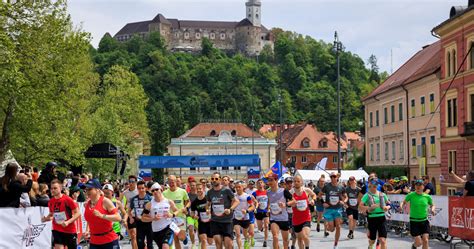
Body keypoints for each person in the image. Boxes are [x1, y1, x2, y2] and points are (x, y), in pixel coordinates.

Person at [41, 179, 81, 249]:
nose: (53, 190)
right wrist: (46, 219)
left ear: (60, 188)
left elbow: (78, 213)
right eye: (51, 188)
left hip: (69, 230)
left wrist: (68, 222)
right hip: (57, 230)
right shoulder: (51, 201)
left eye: (55, 188)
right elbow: (51, 215)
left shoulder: (67, 199)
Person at [83, 179, 122, 249]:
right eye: (86, 189)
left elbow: (118, 217)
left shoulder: (105, 201)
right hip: (94, 241)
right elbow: (90, 220)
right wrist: (87, 231)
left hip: (109, 240)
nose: (87, 191)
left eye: (90, 189)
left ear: (97, 190)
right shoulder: (86, 204)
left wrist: (102, 216)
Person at [206, 172, 239, 249]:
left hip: (227, 221)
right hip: (215, 221)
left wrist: (230, 209)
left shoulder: (226, 190)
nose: (214, 180)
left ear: (220, 180)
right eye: (212, 179)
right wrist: (207, 209)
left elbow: (236, 201)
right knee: (218, 242)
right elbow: (207, 204)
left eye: (216, 178)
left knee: (228, 245)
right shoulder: (210, 192)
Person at [142, 183, 180, 249]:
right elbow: (143, 218)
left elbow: (177, 211)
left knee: (165, 246)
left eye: (156, 189)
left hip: (168, 228)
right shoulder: (149, 204)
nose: (155, 192)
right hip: (156, 231)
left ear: (161, 190)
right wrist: (153, 219)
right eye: (153, 191)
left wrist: (172, 215)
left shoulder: (168, 201)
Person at [400, 179, 435, 249]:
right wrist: (401, 206)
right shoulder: (411, 195)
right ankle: (414, 246)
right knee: (419, 243)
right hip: (414, 222)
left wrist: (432, 209)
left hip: (424, 221)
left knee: (425, 240)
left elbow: (432, 205)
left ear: (423, 187)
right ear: (415, 187)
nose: (418, 187)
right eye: (416, 185)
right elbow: (403, 202)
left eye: (420, 185)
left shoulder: (427, 196)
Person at [360, 178, 391, 249]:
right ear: (369, 185)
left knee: (383, 240)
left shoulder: (382, 194)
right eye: (371, 185)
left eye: (375, 185)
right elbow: (360, 207)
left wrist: (387, 207)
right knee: (372, 240)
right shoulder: (367, 195)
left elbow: (390, 204)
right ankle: (370, 246)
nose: (373, 187)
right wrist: (369, 207)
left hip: (382, 218)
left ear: (377, 186)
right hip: (372, 218)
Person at [267, 173, 295, 249]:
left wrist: (285, 204)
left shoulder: (284, 191)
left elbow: (294, 201)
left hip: (284, 219)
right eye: (268, 180)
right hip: (274, 218)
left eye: (271, 180)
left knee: (285, 240)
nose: (269, 182)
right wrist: (268, 209)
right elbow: (269, 202)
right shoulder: (268, 192)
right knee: (275, 236)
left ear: (276, 180)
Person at [319, 172, 347, 249]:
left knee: (338, 226)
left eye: (334, 177)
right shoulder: (327, 186)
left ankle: (336, 244)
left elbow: (346, 196)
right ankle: (328, 227)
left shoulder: (341, 187)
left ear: (337, 177)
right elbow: (319, 195)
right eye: (331, 177)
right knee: (331, 229)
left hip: (338, 209)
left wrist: (343, 201)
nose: (332, 178)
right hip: (329, 209)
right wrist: (323, 203)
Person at [163, 175, 190, 249]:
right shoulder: (164, 193)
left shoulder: (182, 191)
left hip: (181, 217)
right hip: (171, 218)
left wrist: (186, 208)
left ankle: (185, 238)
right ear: (168, 182)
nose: (172, 183)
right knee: (176, 238)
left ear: (176, 181)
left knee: (181, 237)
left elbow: (188, 202)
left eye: (173, 181)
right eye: (170, 181)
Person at [291, 175, 316, 249]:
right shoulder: (291, 192)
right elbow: (288, 202)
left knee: (305, 235)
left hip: (306, 218)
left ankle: (307, 247)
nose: (296, 183)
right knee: (299, 239)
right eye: (295, 181)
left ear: (301, 182)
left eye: (298, 181)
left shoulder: (306, 190)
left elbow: (314, 195)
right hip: (296, 219)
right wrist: (291, 204)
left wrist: (312, 200)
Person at [129, 181, 153, 249]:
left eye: (142, 188)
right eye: (139, 188)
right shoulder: (134, 199)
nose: (141, 190)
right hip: (139, 223)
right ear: (137, 189)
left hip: (149, 223)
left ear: (145, 188)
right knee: (140, 244)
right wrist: (131, 218)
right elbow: (129, 210)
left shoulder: (150, 198)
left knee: (150, 245)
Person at [232, 181, 255, 249]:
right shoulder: (233, 196)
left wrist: (247, 211)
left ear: (243, 187)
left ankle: (246, 240)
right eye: (236, 187)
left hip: (245, 218)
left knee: (245, 234)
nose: (238, 188)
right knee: (238, 234)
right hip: (236, 217)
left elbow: (252, 206)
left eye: (239, 187)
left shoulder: (247, 196)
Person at [191, 183, 213, 249]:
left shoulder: (208, 199)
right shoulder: (194, 202)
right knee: (203, 240)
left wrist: (210, 212)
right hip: (201, 223)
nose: (198, 190)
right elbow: (192, 213)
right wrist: (194, 216)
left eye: (200, 189)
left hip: (210, 223)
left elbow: (214, 208)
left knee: (210, 242)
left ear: (203, 189)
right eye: (197, 189)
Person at [122, 175, 139, 249]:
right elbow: (120, 203)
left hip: (139, 215)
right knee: (133, 235)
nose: (131, 183)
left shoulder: (139, 191)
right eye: (130, 182)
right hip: (130, 215)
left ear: (136, 182)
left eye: (133, 181)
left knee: (138, 235)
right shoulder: (125, 193)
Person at [253, 178, 270, 247]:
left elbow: (269, 201)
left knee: (266, 225)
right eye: (258, 183)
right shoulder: (255, 193)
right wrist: (255, 206)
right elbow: (252, 202)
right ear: (257, 185)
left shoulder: (267, 192)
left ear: (264, 184)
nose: (260, 184)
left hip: (265, 211)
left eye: (261, 183)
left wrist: (268, 208)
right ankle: (261, 228)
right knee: (260, 228)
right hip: (258, 212)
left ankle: (265, 240)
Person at [284, 177, 297, 249]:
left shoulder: (295, 191)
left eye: (291, 183)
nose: (290, 184)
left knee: (293, 231)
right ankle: (287, 245)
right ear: (285, 184)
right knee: (287, 230)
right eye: (288, 183)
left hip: (294, 213)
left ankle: (293, 245)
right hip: (285, 213)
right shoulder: (283, 192)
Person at [186, 180, 199, 248]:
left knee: (199, 230)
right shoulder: (187, 195)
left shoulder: (199, 194)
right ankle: (193, 243)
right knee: (191, 229)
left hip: (198, 216)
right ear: (189, 186)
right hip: (190, 216)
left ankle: (199, 244)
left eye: (194, 185)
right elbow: (185, 206)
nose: (193, 186)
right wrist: (189, 213)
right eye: (191, 185)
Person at [244, 180, 257, 247]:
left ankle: (251, 238)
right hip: (244, 214)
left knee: (251, 231)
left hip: (251, 212)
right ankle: (246, 241)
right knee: (245, 231)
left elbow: (256, 202)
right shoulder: (239, 195)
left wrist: (255, 208)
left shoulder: (251, 195)